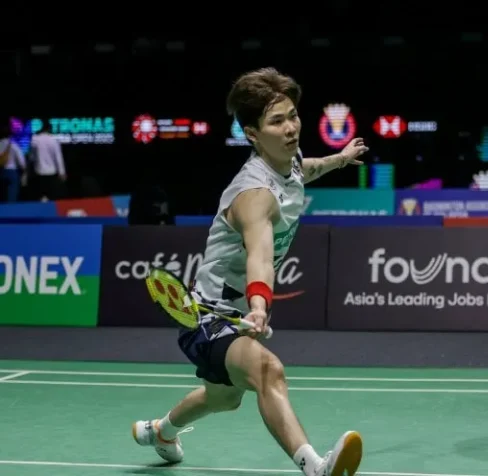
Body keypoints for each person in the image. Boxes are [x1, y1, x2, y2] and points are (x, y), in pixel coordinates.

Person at [132, 67, 369, 475]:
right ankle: (316, 467)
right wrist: (259, 305)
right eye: (277, 122)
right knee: (268, 371)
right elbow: (259, 254)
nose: (291, 128)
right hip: (208, 317)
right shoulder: (254, 194)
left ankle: (160, 432)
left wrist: (341, 160)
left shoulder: (288, 159)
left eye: (293, 115)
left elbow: (304, 169)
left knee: (222, 398)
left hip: (240, 313)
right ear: (252, 134)